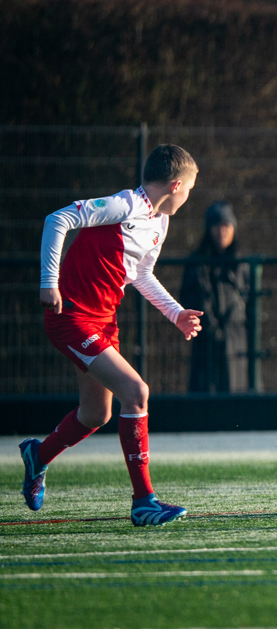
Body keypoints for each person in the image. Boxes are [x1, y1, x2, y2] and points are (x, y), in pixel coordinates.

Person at [21, 144, 203, 526]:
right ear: (174, 185)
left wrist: (176, 313)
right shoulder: (126, 205)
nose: (187, 197)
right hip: (70, 317)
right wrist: (48, 282)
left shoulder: (159, 222)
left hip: (102, 321)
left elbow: (140, 274)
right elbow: (58, 219)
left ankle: (37, 456)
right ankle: (143, 502)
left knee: (95, 413)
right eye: (188, 189)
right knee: (136, 392)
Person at [180, 201, 250, 393]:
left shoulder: (242, 263)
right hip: (206, 343)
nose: (222, 232)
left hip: (237, 342)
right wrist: (211, 328)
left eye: (226, 226)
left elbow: (248, 301)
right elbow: (193, 297)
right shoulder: (197, 263)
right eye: (217, 226)